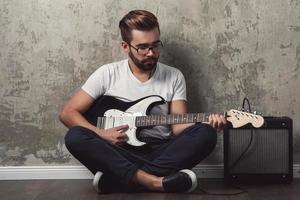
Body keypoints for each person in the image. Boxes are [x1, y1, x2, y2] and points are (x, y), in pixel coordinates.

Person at [59, 9, 226, 194]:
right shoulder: (107, 74)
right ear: (125, 47)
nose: (151, 53)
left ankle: (118, 180)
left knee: (206, 133)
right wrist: (101, 134)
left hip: (161, 151)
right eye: (143, 47)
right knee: (75, 136)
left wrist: (206, 121)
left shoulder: (173, 76)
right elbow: (68, 113)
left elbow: (177, 126)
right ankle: (156, 182)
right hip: (119, 152)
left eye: (155, 46)